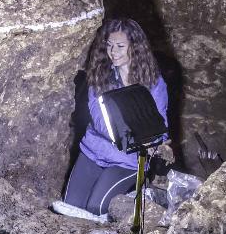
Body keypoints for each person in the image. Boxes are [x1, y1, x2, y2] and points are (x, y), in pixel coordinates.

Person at [52, 18, 170, 223]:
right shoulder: (101, 75)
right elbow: (98, 117)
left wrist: (155, 144)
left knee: (96, 208)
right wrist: (129, 135)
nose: (113, 51)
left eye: (120, 46)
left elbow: (158, 125)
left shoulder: (154, 83)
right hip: (94, 150)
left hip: (127, 160)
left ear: (135, 47)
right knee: (70, 208)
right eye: (109, 45)